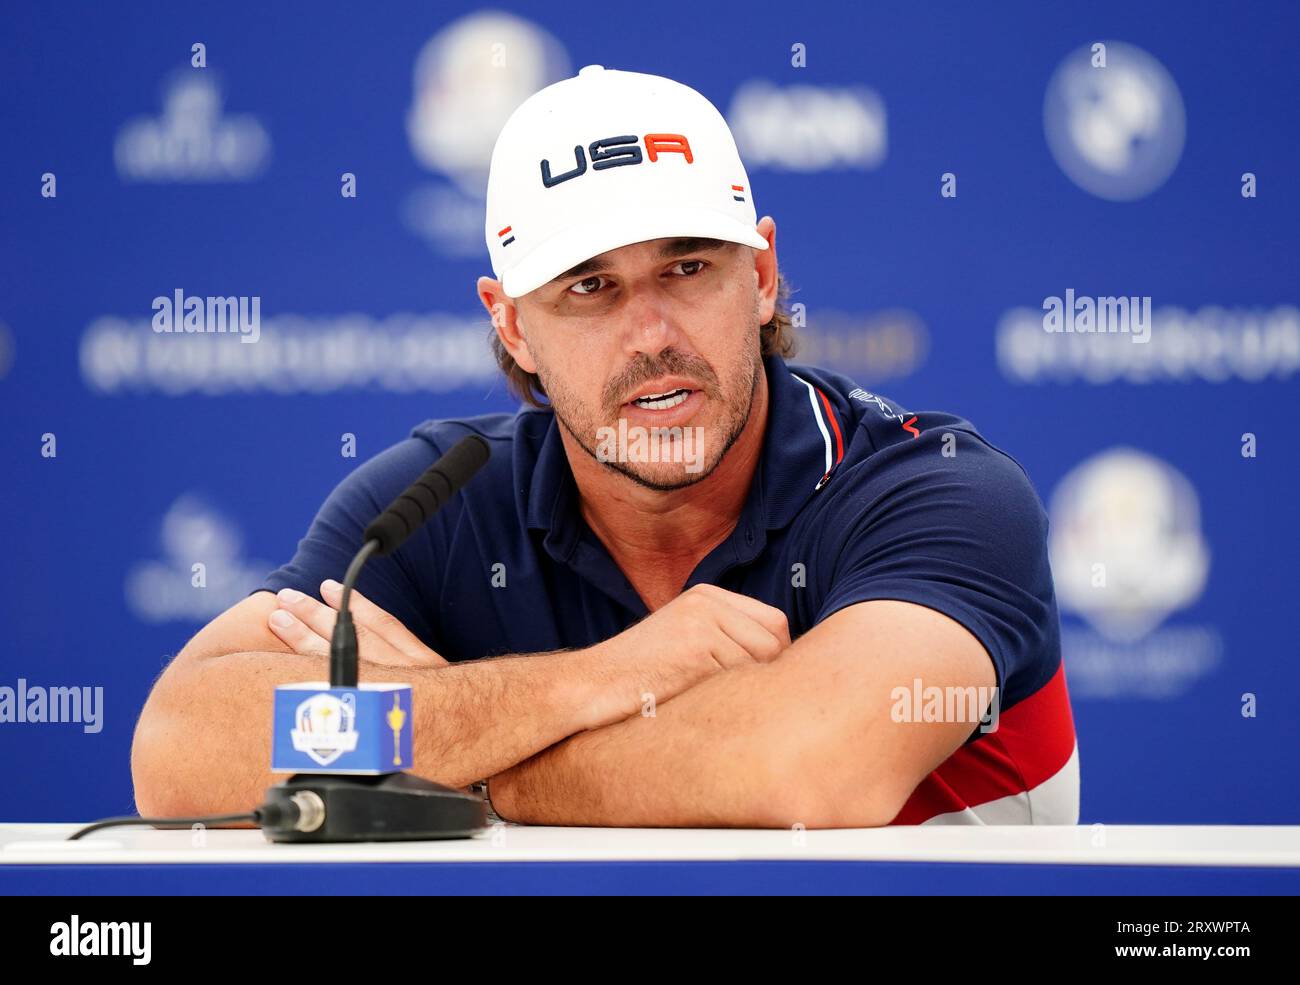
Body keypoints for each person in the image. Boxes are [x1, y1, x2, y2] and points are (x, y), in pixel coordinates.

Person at [131, 66, 1078, 828]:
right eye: (589, 288)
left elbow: (809, 770)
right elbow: (180, 747)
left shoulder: (936, 491)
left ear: (763, 275)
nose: (651, 332)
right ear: (510, 327)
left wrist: (456, 757)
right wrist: (610, 675)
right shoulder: (437, 500)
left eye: (688, 267)